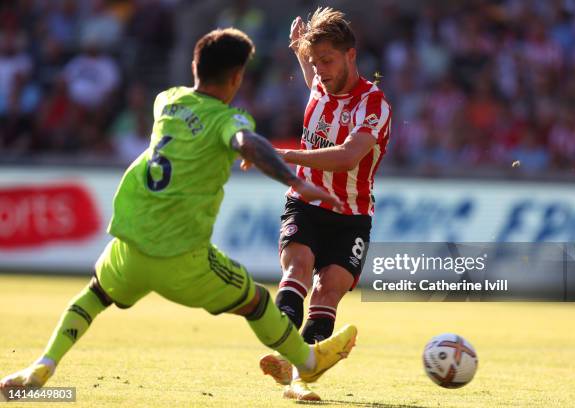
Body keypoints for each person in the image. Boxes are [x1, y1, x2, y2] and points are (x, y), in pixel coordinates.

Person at [0, 28, 357, 398]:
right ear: (236, 78)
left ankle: (42, 365)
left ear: (194, 66)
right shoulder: (228, 120)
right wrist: (295, 182)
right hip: (183, 258)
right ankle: (308, 363)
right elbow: (244, 142)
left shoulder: (166, 101)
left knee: (93, 296)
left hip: (131, 245)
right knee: (257, 302)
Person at [257, 7, 391, 401]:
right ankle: (284, 353)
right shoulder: (318, 79)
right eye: (315, 63)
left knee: (329, 289)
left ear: (351, 55)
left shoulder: (374, 105)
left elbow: (348, 157)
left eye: (328, 61)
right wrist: (302, 49)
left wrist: (286, 155)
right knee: (297, 267)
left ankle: (299, 374)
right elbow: (309, 61)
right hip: (306, 202)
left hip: (352, 215)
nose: (320, 71)